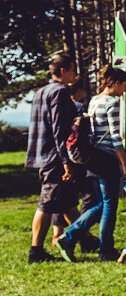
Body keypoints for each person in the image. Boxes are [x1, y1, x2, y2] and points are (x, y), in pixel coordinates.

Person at [55, 64, 126, 262]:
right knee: (109, 205)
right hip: (107, 158)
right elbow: (116, 137)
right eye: (124, 85)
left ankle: (69, 236)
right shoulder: (112, 102)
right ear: (116, 83)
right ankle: (105, 249)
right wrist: (125, 163)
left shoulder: (94, 101)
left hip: (92, 157)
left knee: (100, 203)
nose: (124, 90)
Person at [25, 54, 80, 263]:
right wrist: (66, 160)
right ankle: (35, 251)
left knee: (67, 201)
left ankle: (84, 238)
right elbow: (59, 129)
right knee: (46, 203)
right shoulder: (59, 92)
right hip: (54, 156)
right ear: (64, 70)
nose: (75, 73)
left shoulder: (41, 91)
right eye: (73, 69)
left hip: (43, 152)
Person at [51, 77, 99, 253]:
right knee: (88, 196)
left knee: (62, 197)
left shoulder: (58, 107)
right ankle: (82, 234)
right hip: (77, 159)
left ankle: (57, 232)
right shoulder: (78, 108)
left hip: (61, 158)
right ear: (78, 91)